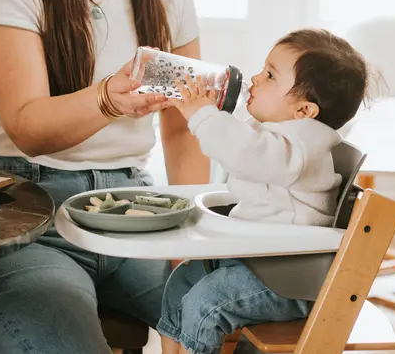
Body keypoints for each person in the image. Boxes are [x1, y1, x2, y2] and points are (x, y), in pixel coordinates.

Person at [0, 0, 210, 353]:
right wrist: (108, 98)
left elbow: (184, 127)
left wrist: (190, 238)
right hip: (25, 218)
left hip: (136, 214)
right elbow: (29, 128)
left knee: (245, 337)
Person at [157, 28, 376, 354]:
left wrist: (200, 113)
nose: (256, 78)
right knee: (180, 281)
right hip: (256, 262)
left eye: (271, 75)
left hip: (288, 279)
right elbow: (242, 149)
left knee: (207, 301)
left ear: (304, 111)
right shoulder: (277, 136)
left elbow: (244, 152)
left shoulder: (304, 145)